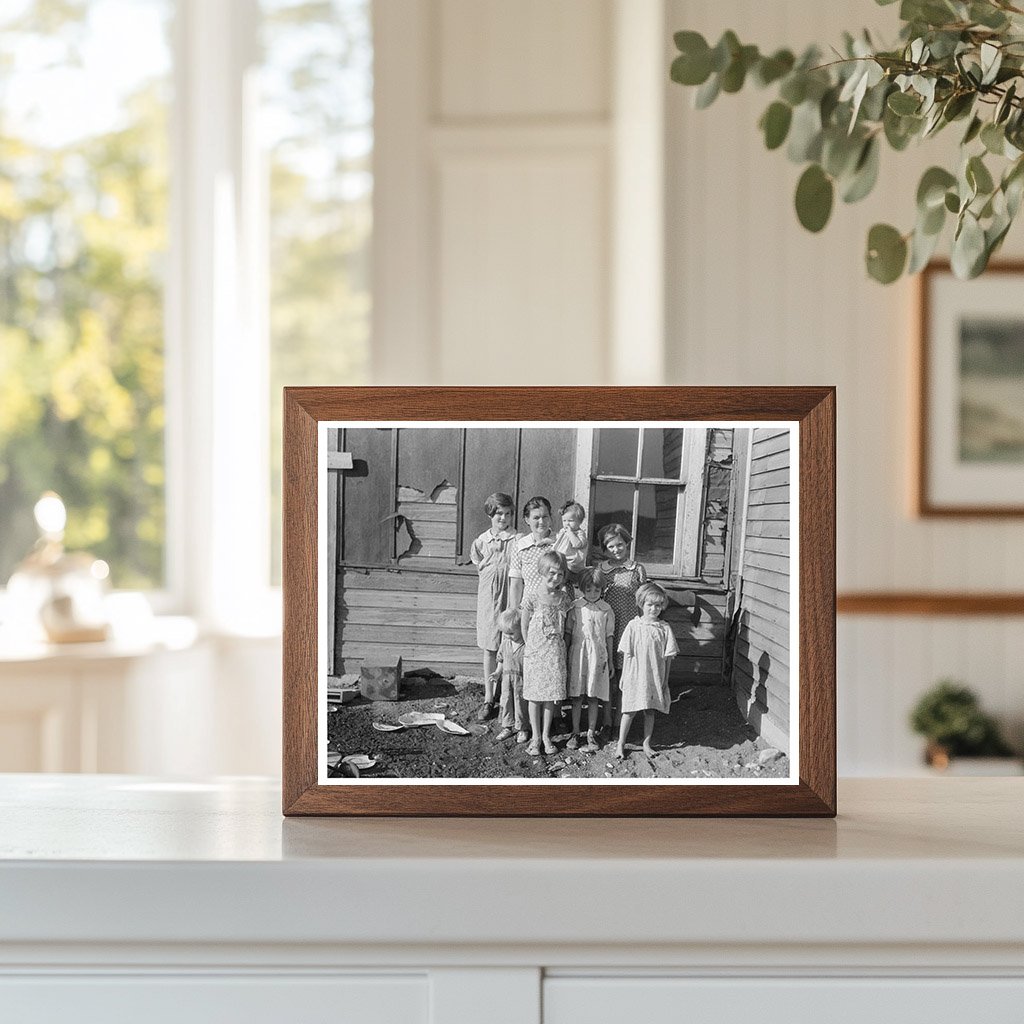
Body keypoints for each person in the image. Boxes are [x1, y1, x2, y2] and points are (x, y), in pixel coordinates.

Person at [615, 582, 679, 760]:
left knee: (650, 710)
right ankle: (621, 743)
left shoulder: (664, 628)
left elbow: (668, 659)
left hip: (654, 675)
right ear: (641, 604)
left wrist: (665, 680)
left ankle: (646, 742)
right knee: (629, 710)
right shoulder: (633, 626)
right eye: (650, 605)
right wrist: (624, 676)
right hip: (635, 675)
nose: (654, 609)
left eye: (658, 605)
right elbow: (627, 654)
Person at [469, 492, 517, 721]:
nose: (503, 518)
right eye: (499, 513)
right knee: (489, 645)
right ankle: (489, 698)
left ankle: (508, 698)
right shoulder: (481, 541)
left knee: (510, 643)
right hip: (489, 597)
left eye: (508, 514)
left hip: (511, 595)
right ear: (491, 514)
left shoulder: (517, 539)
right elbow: (479, 563)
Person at [520, 550, 573, 756]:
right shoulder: (532, 597)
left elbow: (567, 628)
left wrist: (563, 648)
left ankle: (545, 735)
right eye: (551, 573)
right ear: (542, 571)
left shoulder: (564, 598)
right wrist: (530, 648)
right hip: (535, 652)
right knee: (534, 696)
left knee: (551, 696)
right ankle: (534, 736)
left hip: (555, 653)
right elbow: (524, 626)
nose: (555, 578)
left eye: (560, 574)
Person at [597, 523, 647, 733]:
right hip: (607, 628)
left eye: (619, 545)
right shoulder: (601, 569)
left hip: (629, 628)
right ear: (605, 549)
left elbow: (645, 600)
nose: (616, 549)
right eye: (610, 546)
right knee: (608, 677)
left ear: (627, 543)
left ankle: (620, 722)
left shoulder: (636, 569)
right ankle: (607, 721)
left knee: (625, 677)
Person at [566, 567, 615, 752]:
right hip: (578, 656)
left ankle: (591, 733)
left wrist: (609, 661)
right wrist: (566, 656)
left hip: (598, 657)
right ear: (581, 589)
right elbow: (569, 633)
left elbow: (609, 636)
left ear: (602, 590)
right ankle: (575, 732)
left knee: (593, 697)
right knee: (577, 697)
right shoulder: (576, 607)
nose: (593, 594)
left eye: (597, 590)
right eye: (588, 590)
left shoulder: (606, 609)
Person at [508, 496, 556, 611]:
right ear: (527, 519)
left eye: (545, 516)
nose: (541, 522)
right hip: (529, 608)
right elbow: (516, 584)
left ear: (550, 517)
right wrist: (514, 611)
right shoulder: (520, 545)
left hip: (555, 606)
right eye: (536, 518)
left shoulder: (559, 542)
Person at [490, 608, 528, 743]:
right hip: (506, 680)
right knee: (506, 702)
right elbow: (501, 660)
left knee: (520, 703)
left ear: (521, 628)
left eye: (511, 633)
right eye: (505, 633)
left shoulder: (526, 645)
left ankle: (522, 728)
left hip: (521, 680)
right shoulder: (505, 643)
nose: (508, 636)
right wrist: (497, 672)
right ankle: (507, 726)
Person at [553, 500, 588, 583]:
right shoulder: (563, 531)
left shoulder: (580, 533)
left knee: (571, 583)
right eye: (564, 521)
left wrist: (570, 533)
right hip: (561, 563)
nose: (567, 524)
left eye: (570, 521)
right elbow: (557, 539)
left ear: (580, 522)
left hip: (573, 566)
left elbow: (577, 544)